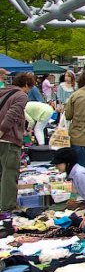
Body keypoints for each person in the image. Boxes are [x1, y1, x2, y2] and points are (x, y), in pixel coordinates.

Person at [0, 74, 29, 211]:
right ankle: (7, 206)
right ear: (26, 85)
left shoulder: (3, 92)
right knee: (9, 173)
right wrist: (2, 131)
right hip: (8, 139)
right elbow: (12, 115)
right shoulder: (21, 95)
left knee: (2, 173)